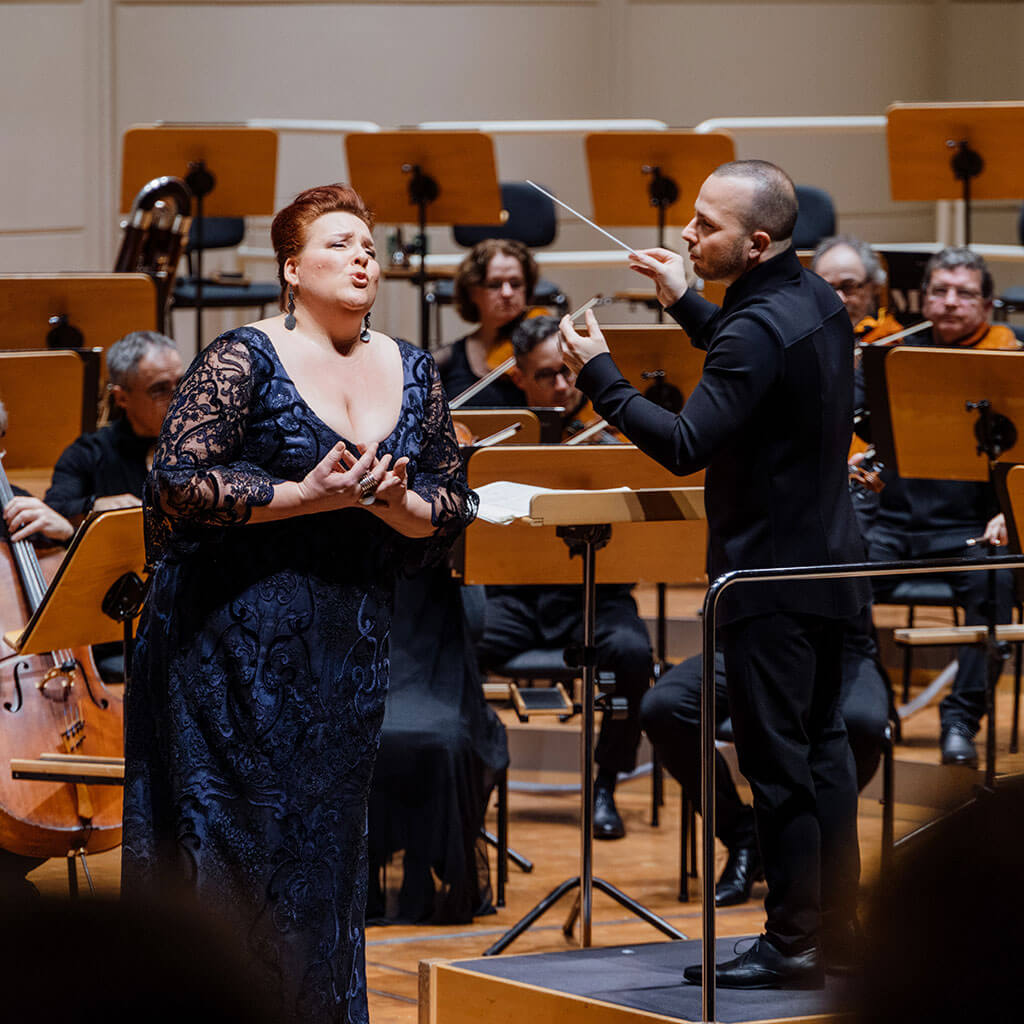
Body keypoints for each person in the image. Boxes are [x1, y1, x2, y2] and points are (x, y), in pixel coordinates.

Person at [122, 184, 477, 1024]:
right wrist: (302, 496)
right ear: (291, 268)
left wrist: (395, 503)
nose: (363, 258)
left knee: (323, 857)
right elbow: (176, 482)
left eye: (368, 247)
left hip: (345, 649)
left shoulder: (413, 366)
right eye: (339, 245)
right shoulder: (243, 356)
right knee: (236, 853)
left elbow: (452, 500)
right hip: (226, 644)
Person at [559, 160, 869, 988]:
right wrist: (684, 299)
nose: (688, 235)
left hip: (769, 579)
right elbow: (754, 367)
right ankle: (834, 931)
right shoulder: (817, 303)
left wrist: (601, 375)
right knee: (824, 753)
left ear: (757, 242)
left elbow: (688, 443)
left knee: (777, 765)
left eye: (706, 226)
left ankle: (793, 942)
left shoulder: (753, 326)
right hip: (834, 566)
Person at [474, 315, 652, 841]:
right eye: (547, 375)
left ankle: (605, 783)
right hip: (515, 599)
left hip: (593, 597)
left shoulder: (611, 437)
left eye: (569, 373)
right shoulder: (499, 443)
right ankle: (476, 770)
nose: (562, 386)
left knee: (634, 655)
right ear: (519, 379)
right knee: (449, 640)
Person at [857, 247, 1018, 768]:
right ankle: (870, 705)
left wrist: (1011, 510)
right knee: (832, 581)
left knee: (996, 582)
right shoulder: (890, 355)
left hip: (972, 527)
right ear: (922, 299)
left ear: (988, 305)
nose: (950, 303)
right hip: (892, 524)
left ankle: (960, 720)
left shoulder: (1012, 362)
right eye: (939, 291)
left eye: (964, 293)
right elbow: (844, 425)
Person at [640, 603, 889, 907]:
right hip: (743, 644)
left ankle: (802, 846)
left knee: (862, 723)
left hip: (837, 648)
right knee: (664, 708)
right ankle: (744, 835)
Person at [44, 330, 183, 522]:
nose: (179, 399)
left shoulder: (206, 442)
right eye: (159, 389)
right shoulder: (87, 454)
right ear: (122, 398)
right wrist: (93, 506)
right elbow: (55, 509)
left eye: (183, 383)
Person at [435, 238, 535, 406]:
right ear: (472, 292)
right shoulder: (448, 359)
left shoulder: (541, 344)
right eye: (495, 285)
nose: (507, 293)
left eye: (516, 283)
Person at [811, 235, 903, 346]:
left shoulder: (891, 341)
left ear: (874, 287)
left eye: (849, 286)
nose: (840, 298)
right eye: (827, 288)